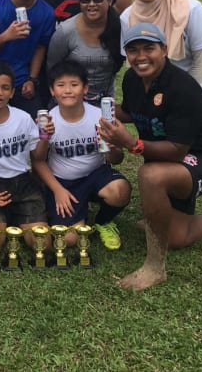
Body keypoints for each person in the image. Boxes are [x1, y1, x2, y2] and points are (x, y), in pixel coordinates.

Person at [99, 23, 202, 291]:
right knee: (176, 237)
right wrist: (92, 107)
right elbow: (131, 111)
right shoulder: (132, 79)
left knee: (150, 175)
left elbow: (177, 150)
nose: (141, 56)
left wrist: (130, 143)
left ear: (164, 50)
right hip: (169, 162)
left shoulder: (184, 88)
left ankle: (154, 267)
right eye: (133, 50)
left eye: (149, 48)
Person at [36, 60, 131, 250]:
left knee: (120, 190)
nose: (68, 90)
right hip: (64, 182)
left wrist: (111, 147)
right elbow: (38, 161)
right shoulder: (48, 120)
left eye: (74, 84)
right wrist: (57, 190)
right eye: (61, 85)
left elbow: (117, 159)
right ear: (52, 91)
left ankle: (103, 221)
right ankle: (78, 214)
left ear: (85, 88)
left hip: (95, 174)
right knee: (70, 240)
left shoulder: (98, 117)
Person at [0, 62, 48, 250]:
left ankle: (16, 219)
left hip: (23, 183)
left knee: (41, 245)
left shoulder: (23, 118)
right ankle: (5, 221)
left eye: (5, 88)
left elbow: (37, 157)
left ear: (13, 92)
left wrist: (46, 136)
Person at [46, 0, 124, 106]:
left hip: (104, 103)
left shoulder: (118, 28)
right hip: (69, 103)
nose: (91, 4)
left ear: (109, 0)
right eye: (85, 0)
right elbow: (52, 69)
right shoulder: (65, 31)